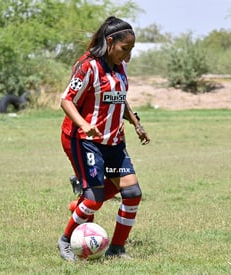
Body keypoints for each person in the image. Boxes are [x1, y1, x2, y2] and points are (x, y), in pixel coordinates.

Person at [58, 16, 150, 261]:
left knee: (132, 193)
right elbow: (66, 99)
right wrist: (85, 125)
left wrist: (136, 123)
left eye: (132, 50)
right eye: (124, 49)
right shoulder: (88, 65)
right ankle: (66, 241)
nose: (128, 55)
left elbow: (120, 97)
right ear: (110, 42)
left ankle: (117, 249)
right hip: (84, 140)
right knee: (95, 199)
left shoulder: (120, 66)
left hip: (114, 141)